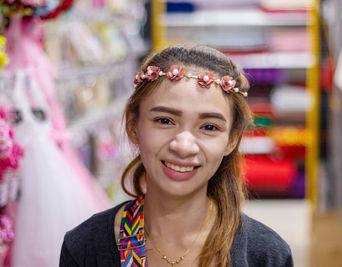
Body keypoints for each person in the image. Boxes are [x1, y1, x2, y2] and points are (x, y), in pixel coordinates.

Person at [59, 45, 293, 267]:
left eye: (209, 127)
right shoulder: (85, 248)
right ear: (133, 125)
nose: (183, 145)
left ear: (231, 139)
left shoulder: (266, 255)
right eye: (165, 121)